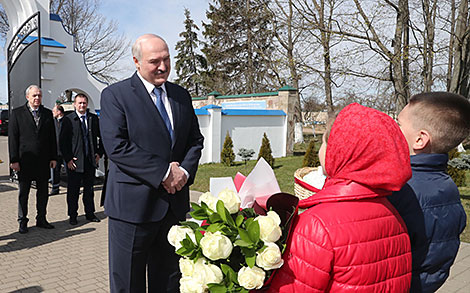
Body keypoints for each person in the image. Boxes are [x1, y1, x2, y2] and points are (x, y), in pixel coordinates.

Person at [268, 103, 412, 292]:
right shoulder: (392, 213)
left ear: (342, 152)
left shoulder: (316, 225)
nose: (321, 150)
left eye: (325, 143)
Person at [100, 34, 204, 292]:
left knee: (169, 282)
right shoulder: (115, 95)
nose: (163, 67)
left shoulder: (181, 95)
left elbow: (195, 140)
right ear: (136, 62)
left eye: (167, 59)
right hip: (132, 211)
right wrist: (164, 173)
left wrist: (184, 173)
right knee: (129, 283)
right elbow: (117, 146)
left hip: (174, 207)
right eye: (154, 61)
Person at [388, 92, 470, 292]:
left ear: (420, 139)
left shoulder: (400, 188)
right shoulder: (447, 184)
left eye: (398, 124)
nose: (392, 129)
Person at [8, 85, 57, 234]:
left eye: (39, 96)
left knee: (43, 192)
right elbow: (13, 139)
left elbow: (52, 138)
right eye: (34, 95)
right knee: (24, 193)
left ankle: (41, 219)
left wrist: (53, 157)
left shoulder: (47, 114)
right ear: (27, 97)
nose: (37, 98)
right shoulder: (17, 114)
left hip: (43, 161)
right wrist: (14, 160)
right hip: (25, 161)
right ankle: (22, 221)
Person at [60, 93, 103, 225]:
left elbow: (102, 137)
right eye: (79, 103)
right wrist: (68, 159)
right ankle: (73, 215)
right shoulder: (68, 120)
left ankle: (90, 213)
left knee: (89, 190)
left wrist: (99, 153)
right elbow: (63, 141)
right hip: (75, 162)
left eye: (84, 103)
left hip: (90, 161)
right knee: (73, 191)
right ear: (74, 104)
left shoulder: (93, 119)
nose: (82, 105)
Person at [50, 104, 65, 195]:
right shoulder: (52, 122)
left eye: (54, 111)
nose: (52, 113)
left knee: (70, 171)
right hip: (56, 152)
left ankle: (74, 188)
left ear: (59, 112)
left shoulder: (67, 121)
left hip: (66, 151)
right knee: (55, 171)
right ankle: (55, 188)